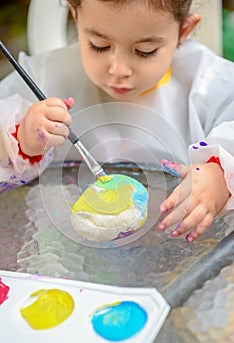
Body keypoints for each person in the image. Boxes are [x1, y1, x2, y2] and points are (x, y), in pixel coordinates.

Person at [0, 0, 233, 243]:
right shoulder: (47, 77)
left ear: (183, 31)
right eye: (99, 46)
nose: (119, 69)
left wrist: (220, 174)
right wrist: (19, 137)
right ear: (76, 17)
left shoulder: (207, 85)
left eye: (145, 50)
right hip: (60, 253)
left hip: (172, 260)